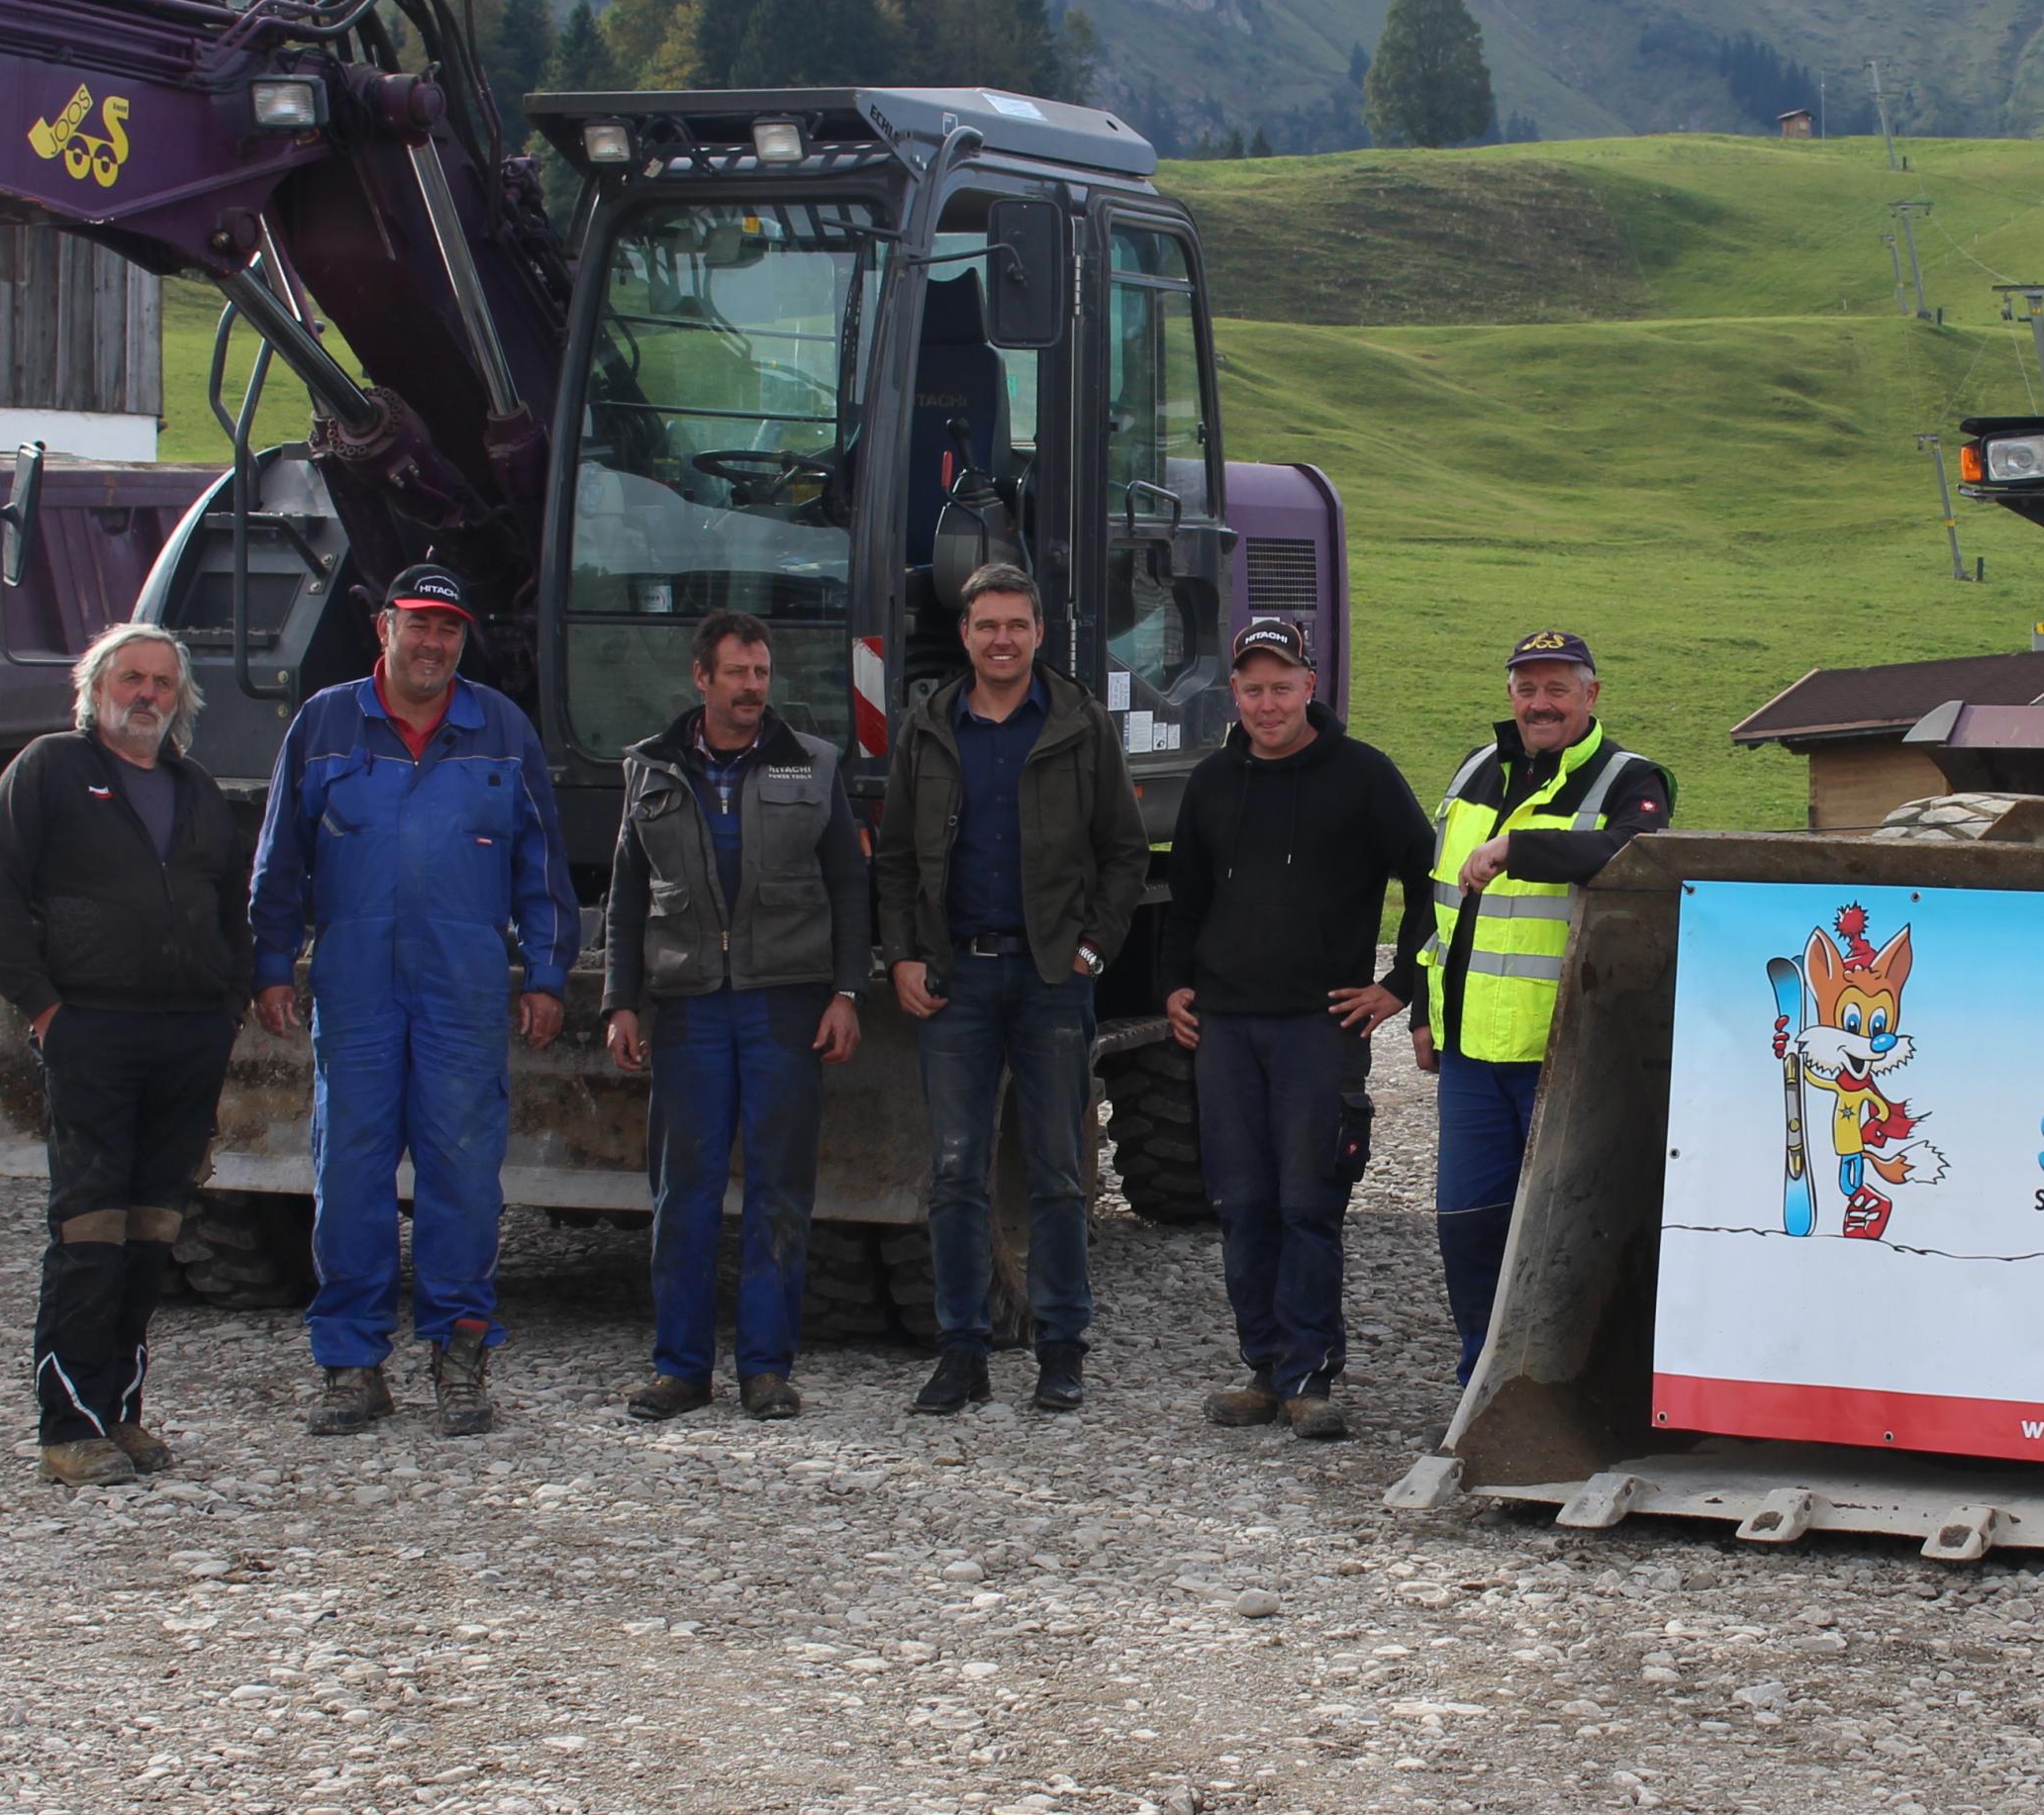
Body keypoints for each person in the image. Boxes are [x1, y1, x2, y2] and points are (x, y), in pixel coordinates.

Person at [246, 565, 574, 1438]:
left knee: (462, 1174)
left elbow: (542, 865)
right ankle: (351, 1365)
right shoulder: (325, 723)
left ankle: (459, 1359)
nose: (434, 643)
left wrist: (547, 974)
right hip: (356, 984)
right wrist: (271, 962)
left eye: (450, 628)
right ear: (384, 627)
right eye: (420, 624)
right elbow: (280, 858)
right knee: (349, 1174)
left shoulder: (500, 728)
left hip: (463, 988)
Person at [0, 624, 254, 1485]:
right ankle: (68, 1428)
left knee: (153, 1226)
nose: (148, 695)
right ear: (95, 690)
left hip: (187, 1035)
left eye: (163, 683)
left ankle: (120, 1411)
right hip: (92, 1029)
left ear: (182, 699)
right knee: (88, 1225)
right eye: (131, 678)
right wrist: (47, 1009)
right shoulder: (50, 770)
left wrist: (227, 1006)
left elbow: (232, 906)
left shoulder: (196, 790)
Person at [873, 560, 1144, 1416]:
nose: (1001, 640)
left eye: (1016, 626)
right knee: (955, 1172)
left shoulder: (1078, 726)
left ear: (1038, 633)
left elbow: (1124, 852)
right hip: (954, 980)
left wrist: (1093, 950)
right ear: (964, 634)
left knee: (1057, 1170)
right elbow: (893, 858)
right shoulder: (928, 729)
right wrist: (903, 956)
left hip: (1050, 978)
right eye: (986, 625)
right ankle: (963, 1352)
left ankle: (1062, 1349)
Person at [1158, 615, 1436, 1441]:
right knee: (1242, 1203)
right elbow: (1184, 897)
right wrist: (1172, 984)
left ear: (1310, 686)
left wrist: (1399, 984)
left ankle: (1312, 1375)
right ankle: (1264, 1369)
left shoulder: (1363, 775)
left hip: (1320, 1027)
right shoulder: (1212, 782)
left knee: (1309, 1201)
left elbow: (1430, 878)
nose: (1268, 703)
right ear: (1234, 694)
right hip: (1225, 1028)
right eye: (1253, 689)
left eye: (1282, 686)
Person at [604, 610, 870, 1422]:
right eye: (737, 673)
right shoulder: (649, 769)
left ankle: (765, 1369)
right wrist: (620, 1001)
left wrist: (847, 992)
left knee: (779, 1191)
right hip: (688, 1009)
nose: (753, 687)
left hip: (783, 1006)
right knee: (682, 1193)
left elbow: (849, 887)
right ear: (702, 678)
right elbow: (626, 897)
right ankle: (680, 1369)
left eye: (761, 672)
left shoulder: (813, 765)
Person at [1416, 628, 1670, 1385]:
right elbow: (1436, 898)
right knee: (1467, 1227)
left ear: (1591, 695)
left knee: (1570, 1229)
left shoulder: (1630, 779)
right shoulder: (1474, 770)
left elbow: (1636, 852)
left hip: (1568, 1053)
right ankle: (1481, 1385)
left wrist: (1517, 849)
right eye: (1527, 688)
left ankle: (1568, 1389)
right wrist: (1425, 1011)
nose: (1541, 703)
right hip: (1471, 1055)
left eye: (1558, 688)